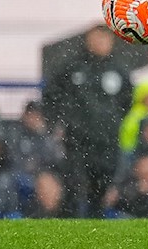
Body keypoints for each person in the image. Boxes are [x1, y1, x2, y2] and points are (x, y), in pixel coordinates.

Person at [41, 25, 134, 216]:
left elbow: (126, 102)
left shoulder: (118, 71)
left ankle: (95, 227)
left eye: (104, 39)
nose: (100, 43)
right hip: (77, 142)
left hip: (106, 143)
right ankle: (71, 225)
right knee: (74, 188)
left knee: (101, 191)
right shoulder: (72, 67)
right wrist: (60, 121)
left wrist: (110, 122)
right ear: (88, 39)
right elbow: (51, 95)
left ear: (111, 42)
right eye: (96, 38)